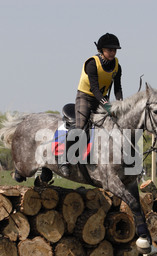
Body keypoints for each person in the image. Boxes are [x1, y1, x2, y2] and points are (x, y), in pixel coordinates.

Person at [59, 33, 123, 176]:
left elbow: (118, 88)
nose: (112, 53)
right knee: (80, 127)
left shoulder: (117, 66)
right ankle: (64, 159)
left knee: (114, 124)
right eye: (109, 50)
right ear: (101, 50)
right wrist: (106, 104)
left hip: (101, 99)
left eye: (114, 50)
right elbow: (94, 88)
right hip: (85, 97)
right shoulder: (92, 63)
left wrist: (120, 104)